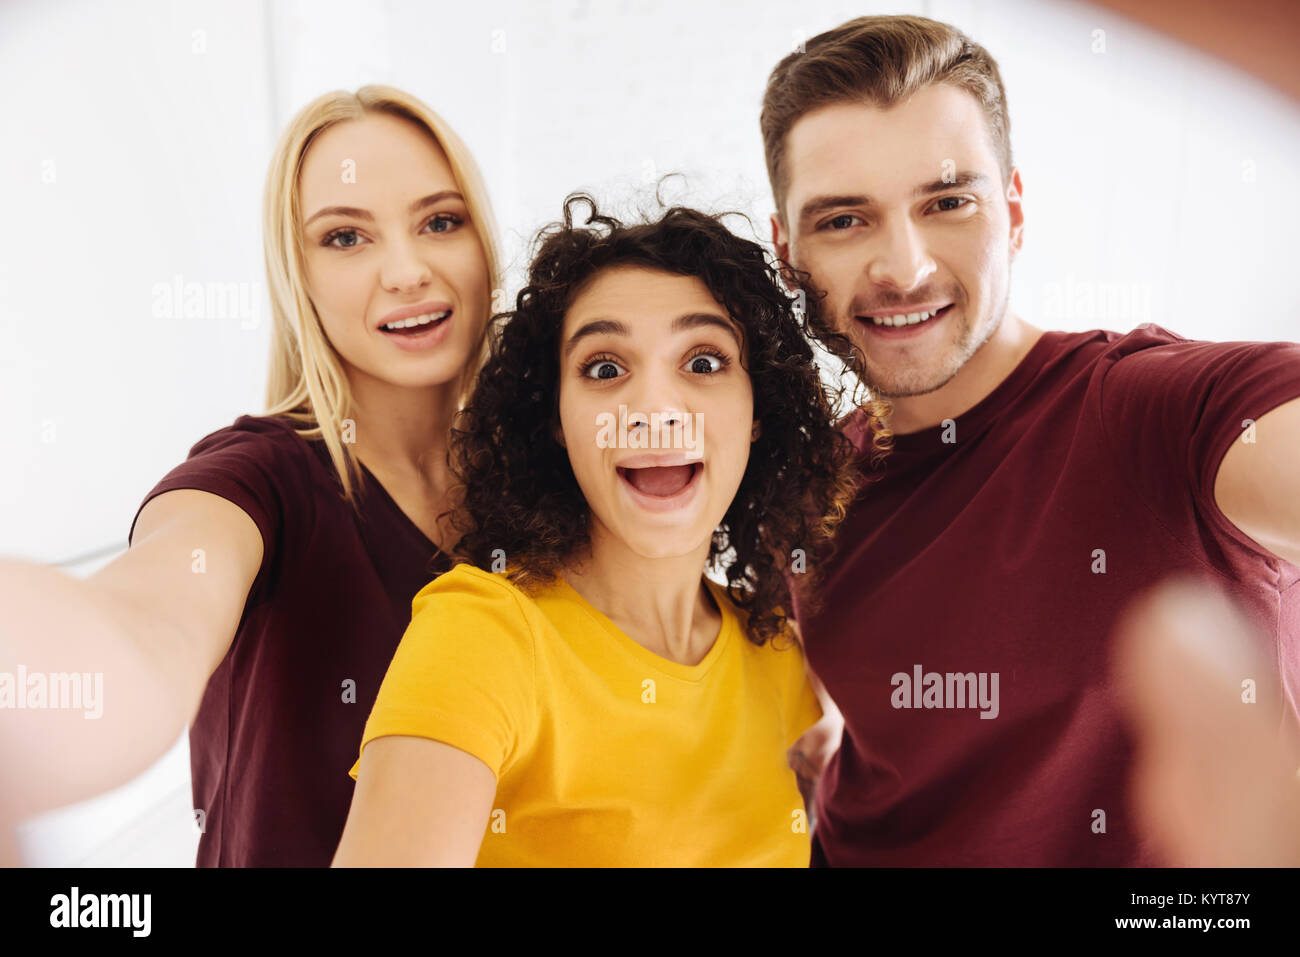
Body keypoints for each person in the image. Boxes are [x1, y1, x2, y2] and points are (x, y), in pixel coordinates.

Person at [760, 15, 1300, 865]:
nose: (903, 267)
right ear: (788, 251)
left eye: (946, 203)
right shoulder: (798, 484)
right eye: (843, 221)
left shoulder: (1161, 411)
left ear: (1012, 212)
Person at [0, 85, 503, 866]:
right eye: (345, 237)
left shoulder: (525, 493)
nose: (407, 271)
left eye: (440, 221)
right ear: (296, 274)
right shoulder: (257, 479)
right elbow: (147, 622)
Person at [332, 195, 866, 866]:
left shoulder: (780, 660)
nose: (654, 408)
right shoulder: (485, 633)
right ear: (555, 417)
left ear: (759, 408)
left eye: (703, 362)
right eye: (605, 368)